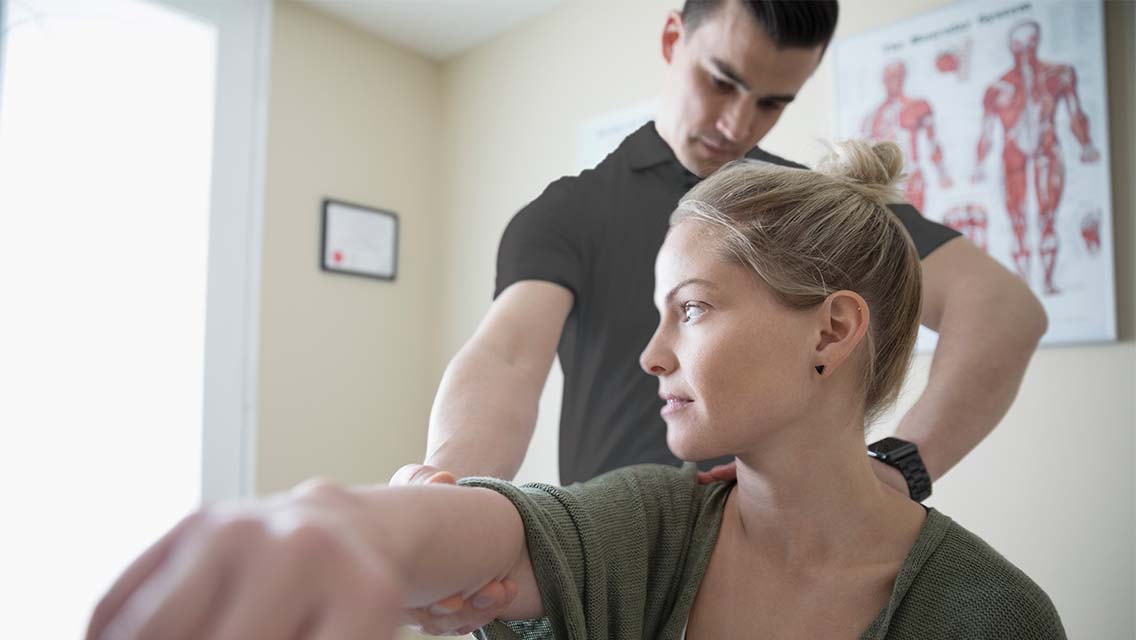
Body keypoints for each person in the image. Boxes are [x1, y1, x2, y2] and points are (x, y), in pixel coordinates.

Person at [86, 141, 1066, 640]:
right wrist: (341, 522)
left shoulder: (987, 614)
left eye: (688, 309)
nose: (649, 355)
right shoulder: (651, 521)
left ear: (831, 330)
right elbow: (488, 522)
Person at [400, 1, 1046, 632]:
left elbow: (1002, 311)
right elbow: (508, 356)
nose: (738, 125)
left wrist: (904, 463)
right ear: (673, 38)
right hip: (623, 569)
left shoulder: (810, 214)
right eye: (722, 81)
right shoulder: (569, 213)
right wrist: (447, 491)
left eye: (772, 102)